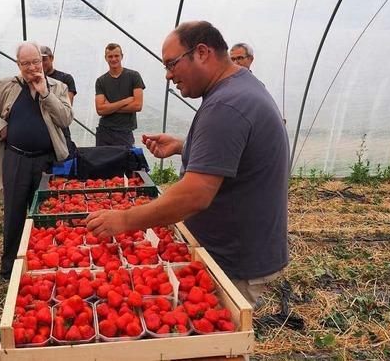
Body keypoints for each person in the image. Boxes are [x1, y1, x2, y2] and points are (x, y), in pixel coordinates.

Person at [87, 22, 289, 307]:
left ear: (202, 52)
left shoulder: (226, 105)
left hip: (232, 257)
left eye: (171, 64)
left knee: (217, 346)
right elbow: (237, 152)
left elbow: (195, 194)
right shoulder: (240, 86)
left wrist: (124, 220)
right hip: (237, 246)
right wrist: (185, 146)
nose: (169, 76)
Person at [0, 41, 73, 280]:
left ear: (44, 61)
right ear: (18, 64)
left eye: (36, 62)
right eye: (26, 63)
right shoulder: (7, 85)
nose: (32, 68)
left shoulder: (57, 86)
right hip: (16, 159)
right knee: (14, 214)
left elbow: (65, 119)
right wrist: (0, 127)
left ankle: (44, 266)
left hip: (46, 162)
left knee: (45, 214)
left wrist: (45, 93)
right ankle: (9, 269)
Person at [94, 43, 145, 147]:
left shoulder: (134, 76)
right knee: (102, 162)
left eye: (116, 56)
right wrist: (125, 101)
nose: (113, 59)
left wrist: (109, 107)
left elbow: (137, 106)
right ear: (106, 58)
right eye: (110, 56)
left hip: (125, 132)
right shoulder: (100, 81)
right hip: (104, 131)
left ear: (122, 56)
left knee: (126, 162)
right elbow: (100, 110)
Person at [40, 45, 77, 157]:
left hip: (61, 131)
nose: (42, 63)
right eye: (39, 60)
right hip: (42, 133)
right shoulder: (34, 80)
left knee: (63, 169)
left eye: (44, 59)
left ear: (51, 58)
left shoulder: (65, 78)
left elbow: (67, 107)